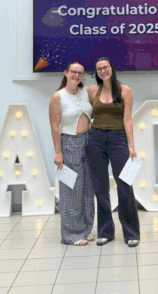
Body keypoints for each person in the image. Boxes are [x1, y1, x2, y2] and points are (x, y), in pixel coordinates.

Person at [86, 57, 140, 247]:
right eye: (99, 69)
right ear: (96, 72)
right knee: (100, 188)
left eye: (105, 67)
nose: (103, 71)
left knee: (124, 185)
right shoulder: (92, 91)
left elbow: (128, 120)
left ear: (112, 68)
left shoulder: (125, 90)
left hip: (118, 140)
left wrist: (131, 146)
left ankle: (131, 233)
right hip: (96, 139)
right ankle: (105, 231)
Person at [48, 62, 95, 246]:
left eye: (80, 73)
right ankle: (70, 235)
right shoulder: (57, 97)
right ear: (66, 73)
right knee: (70, 191)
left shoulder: (86, 92)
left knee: (87, 189)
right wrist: (58, 152)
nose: (77, 75)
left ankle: (85, 230)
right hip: (68, 144)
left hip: (88, 142)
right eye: (73, 72)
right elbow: (54, 126)